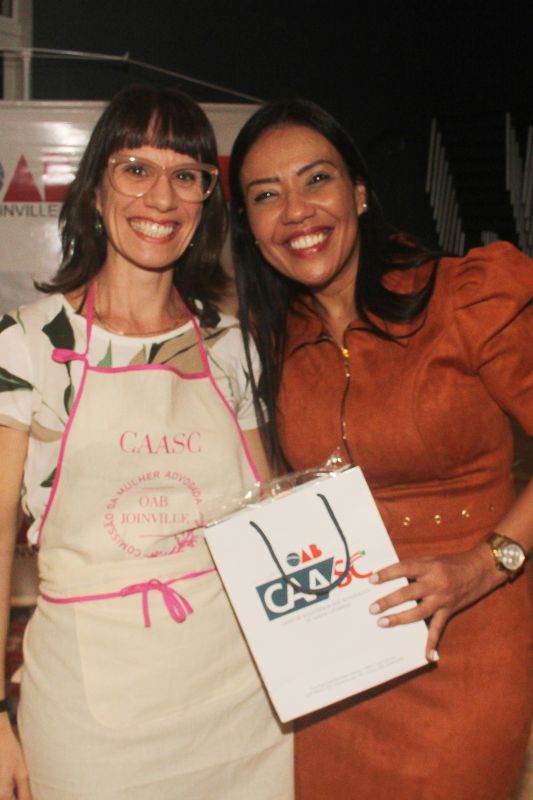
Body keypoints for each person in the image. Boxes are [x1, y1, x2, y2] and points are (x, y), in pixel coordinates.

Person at [228, 96, 533, 800]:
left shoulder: (463, 297)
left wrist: (485, 565)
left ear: (359, 193)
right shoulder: (272, 338)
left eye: (316, 179)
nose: (295, 210)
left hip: (470, 640)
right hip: (337, 658)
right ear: (247, 225)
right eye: (266, 195)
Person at [0, 83, 293, 800]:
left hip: (244, 702)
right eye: (136, 168)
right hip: (92, 715)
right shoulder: (28, 345)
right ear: (96, 189)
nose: (162, 197)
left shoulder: (232, 348)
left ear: (206, 203)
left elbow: (270, 518)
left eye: (186, 176)